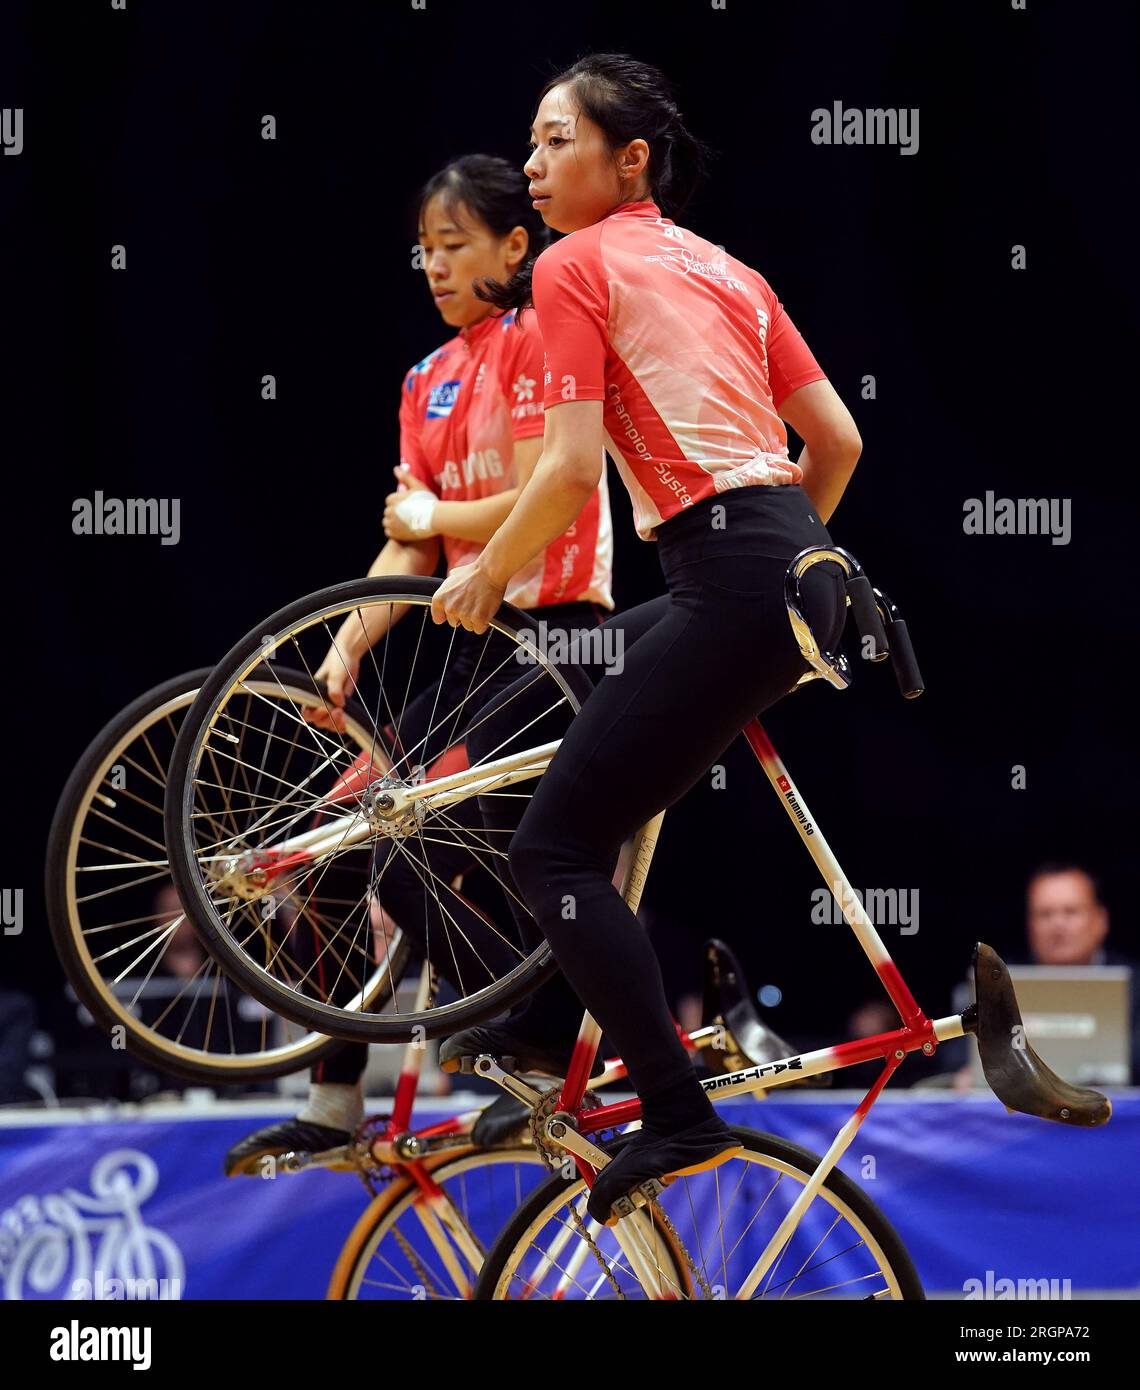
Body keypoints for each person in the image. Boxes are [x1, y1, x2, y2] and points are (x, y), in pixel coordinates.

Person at [429, 54, 862, 1223]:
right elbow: (838, 442)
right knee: (556, 697)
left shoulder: (574, 263)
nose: (531, 163)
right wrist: (774, 564)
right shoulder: (729, 267)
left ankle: (676, 1110)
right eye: (529, 141)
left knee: (549, 853)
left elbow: (570, 471)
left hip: (731, 574)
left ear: (630, 160)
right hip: (799, 572)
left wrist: (487, 576)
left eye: (555, 139)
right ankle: (537, 1026)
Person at [225, 154, 614, 1175]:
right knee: (323, 853)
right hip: (470, 643)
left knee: (422, 848)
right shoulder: (426, 381)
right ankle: (333, 1096)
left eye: (455, 247)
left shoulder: (544, 338)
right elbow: (410, 546)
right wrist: (346, 646)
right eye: (424, 251)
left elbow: (542, 490)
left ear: (514, 245)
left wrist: (433, 515)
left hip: (563, 637)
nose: (434, 268)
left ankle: (536, 1040)